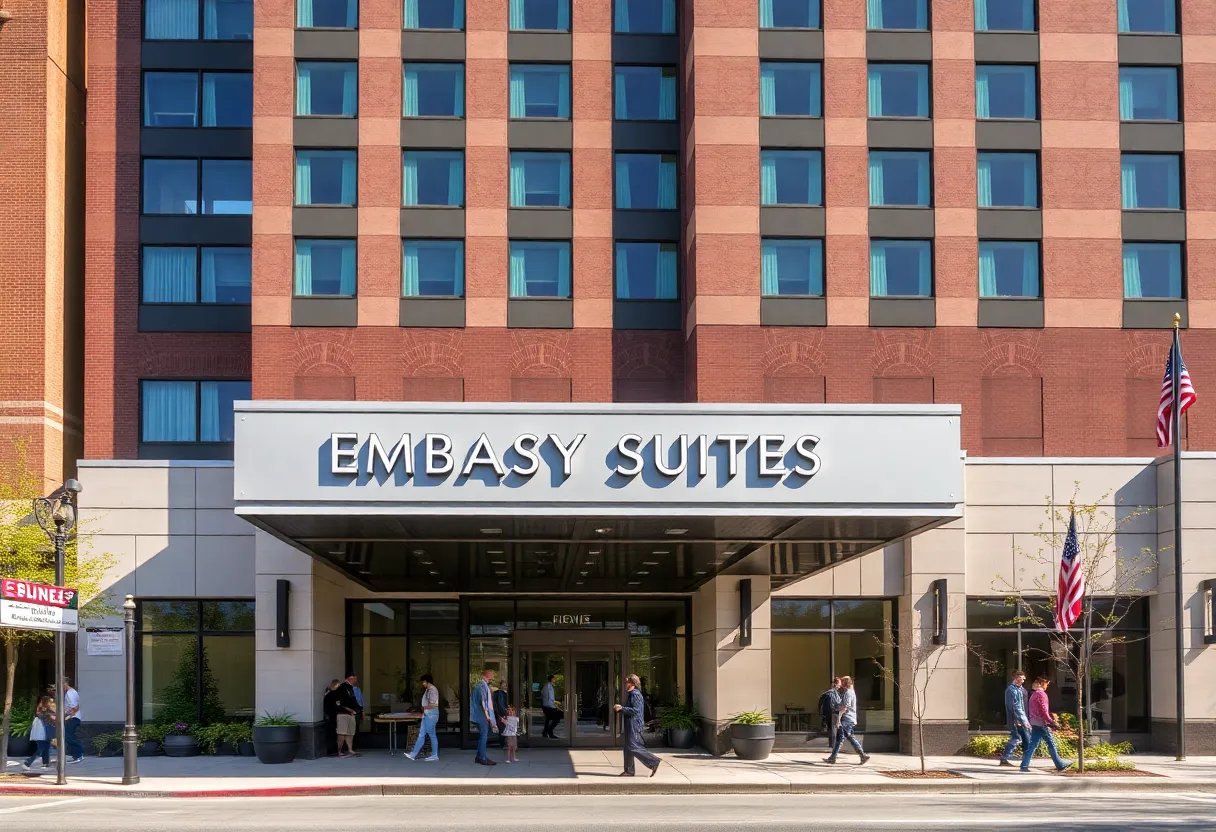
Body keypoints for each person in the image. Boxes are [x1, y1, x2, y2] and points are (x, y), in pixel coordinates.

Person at [614, 674, 660, 777]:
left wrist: (621, 708)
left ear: (632, 683)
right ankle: (629, 771)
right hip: (631, 724)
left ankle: (653, 761)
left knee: (633, 746)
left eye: (627, 682)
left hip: (634, 724)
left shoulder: (635, 694)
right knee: (628, 748)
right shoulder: (632, 694)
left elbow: (635, 710)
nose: (625, 684)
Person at [1020, 676, 1068, 773]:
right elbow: (1044, 710)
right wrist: (1051, 721)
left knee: (1033, 744)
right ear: (1043, 683)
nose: (1047, 686)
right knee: (1051, 743)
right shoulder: (1042, 694)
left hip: (1034, 722)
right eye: (1047, 684)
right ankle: (1060, 764)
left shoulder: (1033, 694)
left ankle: (1024, 765)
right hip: (1042, 723)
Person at [823, 676, 869, 765]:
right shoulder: (851, 692)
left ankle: (862, 755)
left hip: (846, 719)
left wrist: (838, 720)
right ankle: (833, 757)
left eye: (843, 682)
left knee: (844, 737)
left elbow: (844, 707)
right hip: (849, 719)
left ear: (845, 683)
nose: (841, 684)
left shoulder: (848, 693)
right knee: (844, 737)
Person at [405, 673, 440, 762]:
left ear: (427, 681)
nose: (423, 683)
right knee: (422, 734)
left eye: (424, 681)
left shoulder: (433, 690)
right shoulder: (428, 690)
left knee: (431, 734)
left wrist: (423, 708)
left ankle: (434, 755)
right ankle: (413, 754)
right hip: (427, 715)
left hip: (431, 715)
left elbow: (434, 704)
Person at [999, 670, 1030, 768]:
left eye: (1024, 678)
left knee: (1023, 739)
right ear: (1015, 678)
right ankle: (1006, 758)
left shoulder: (1021, 690)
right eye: (1021, 678)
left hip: (1021, 719)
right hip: (1016, 720)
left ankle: (1024, 760)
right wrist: (1022, 720)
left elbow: (1022, 706)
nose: (1023, 680)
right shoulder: (1011, 690)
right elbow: (1013, 707)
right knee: (1017, 738)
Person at [470, 667, 497, 766]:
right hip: (481, 716)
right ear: (487, 676)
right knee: (483, 737)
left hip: (478, 715)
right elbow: (483, 702)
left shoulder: (480, 685)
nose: (492, 678)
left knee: (483, 736)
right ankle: (482, 758)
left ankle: (478, 757)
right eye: (491, 676)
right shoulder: (482, 686)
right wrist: (487, 715)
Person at [22, 693, 56, 772]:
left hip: (42, 732)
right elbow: (51, 717)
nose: (52, 703)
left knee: (46, 747)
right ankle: (27, 763)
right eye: (50, 701)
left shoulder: (40, 709)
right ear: (47, 702)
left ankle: (46, 763)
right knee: (41, 749)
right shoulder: (45, 710)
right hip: (42, 732)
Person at [809, 677, 842, 747]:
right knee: (833, 731)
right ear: (835, 684)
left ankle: (831, 745)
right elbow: (833, 705)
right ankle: (832, 745)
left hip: (830, 714)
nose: (840, 685)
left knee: (831, 730)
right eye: (839, 683)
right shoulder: (832, 693)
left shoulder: (829, 693)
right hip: (832, 714)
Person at [61, 678, 83, 764]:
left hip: (73, 718)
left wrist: (68, 716)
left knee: (69, 736)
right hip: (74, 717)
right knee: (69, 736)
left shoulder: (70, 694)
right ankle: (75, 755)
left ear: (65, 684)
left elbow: (75, 707)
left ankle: (78, 755)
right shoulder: (73, 692)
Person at [340, 674, 364, 740]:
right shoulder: (343, 688)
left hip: (357, 710)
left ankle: (354, 745)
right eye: (352, 679)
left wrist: (362, 710)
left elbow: (360, 700)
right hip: (347, 711)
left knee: (356, 728)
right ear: (347, 680)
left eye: (355, 679)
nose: (354, 681)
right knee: (347, 729)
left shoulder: (357, 689)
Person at [541, 674, 561, 739]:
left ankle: (545, 733)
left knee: (547, 719)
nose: (555, 680)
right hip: (549, 707)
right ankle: (550, 732)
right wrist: (555, 707)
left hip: (545, 706)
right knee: (557, 718)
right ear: (552, 679)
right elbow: (551, 699)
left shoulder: (545, 687)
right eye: (554, 679)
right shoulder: (549, 688)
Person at [492, 681, 509, 748]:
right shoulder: (501, 693)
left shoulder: (497, 693)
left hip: (498, 713)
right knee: (503, 728)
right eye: (505, 685)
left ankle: (502, 743)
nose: (506, 687)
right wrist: (504, 713)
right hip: (501, 713)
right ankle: (503, 743)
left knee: (502, 728)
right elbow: (501, 704)